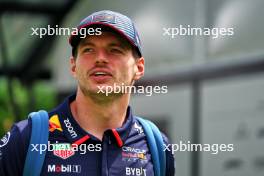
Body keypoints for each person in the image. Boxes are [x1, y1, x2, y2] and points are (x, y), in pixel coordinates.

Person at [0, 10, 175, 175]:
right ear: (73, 65)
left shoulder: (157, 146)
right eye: (88, 50)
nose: (100, 58)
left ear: (139, 67)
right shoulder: (25, 138)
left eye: (115, 50)